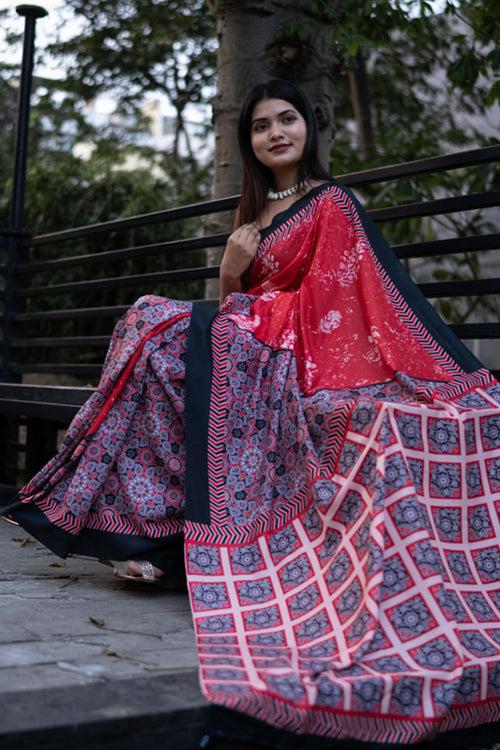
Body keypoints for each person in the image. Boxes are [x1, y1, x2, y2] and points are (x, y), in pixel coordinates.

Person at [2, 78, 499, 744]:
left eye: (286, 120)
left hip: (302, 350)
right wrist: (232, 271)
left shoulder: (330, 202)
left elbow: (340, 293)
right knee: (155, 336)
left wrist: (261, 315)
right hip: (256, 339)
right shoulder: (254, 213)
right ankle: (156, 539)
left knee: (158, 324)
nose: (276, 134)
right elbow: (237, 299)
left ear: (307, 128)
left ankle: (160, 542)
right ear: (251, 143)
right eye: (261, 126)